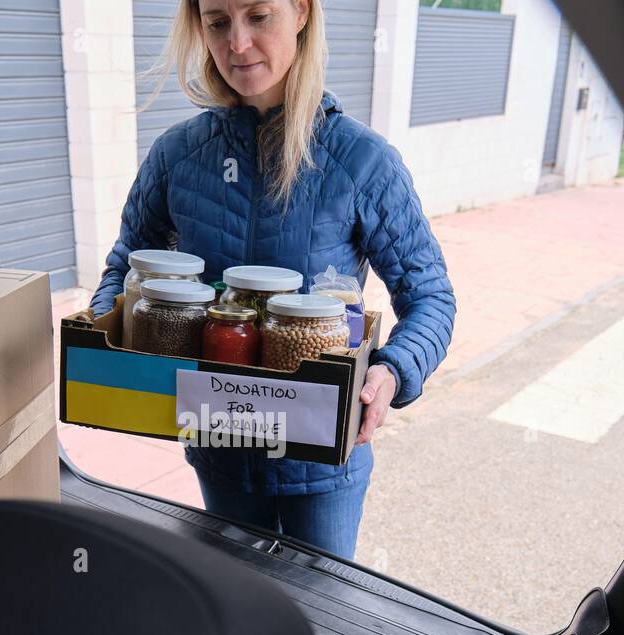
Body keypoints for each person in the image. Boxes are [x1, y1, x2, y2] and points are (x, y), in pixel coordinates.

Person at [90, 0, 455, 560]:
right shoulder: (178, 156)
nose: (237, 43)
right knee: (238, 610)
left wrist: (392, 371)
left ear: (302, 13)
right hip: (218, 441)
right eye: (217, 22)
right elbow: (126, 265)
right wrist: (100, 332)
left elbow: (429, 295)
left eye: (258, 16)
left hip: (321, 462)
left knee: (322, 624)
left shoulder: (361, 161)